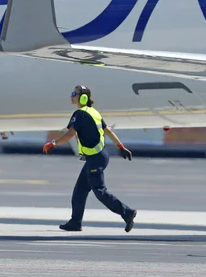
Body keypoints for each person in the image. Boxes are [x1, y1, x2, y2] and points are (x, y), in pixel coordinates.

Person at [43, 85, 137, 232]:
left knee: (100, 191)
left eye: (74, 93)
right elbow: (108, 131)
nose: (71, 96)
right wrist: (120, 146)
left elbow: (69, 134)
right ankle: (75, 222)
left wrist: (53, 143)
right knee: (80, 190)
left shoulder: (79, 114)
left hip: (96, 158)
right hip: (99, 155)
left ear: (83, 97)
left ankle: (127, 212)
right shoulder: (94, 112)